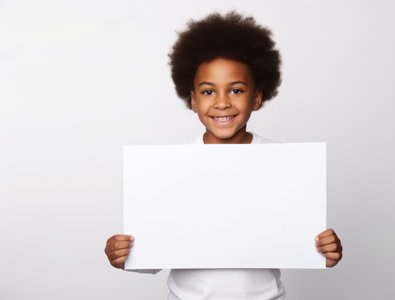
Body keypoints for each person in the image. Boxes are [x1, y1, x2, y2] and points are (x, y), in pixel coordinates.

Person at [105, 11, 343, 299]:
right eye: (207, 92)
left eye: (236, 90)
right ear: (192, 100)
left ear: (256, 97)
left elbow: (300, 242)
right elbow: (155, 253)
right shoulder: (171, 168)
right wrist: (124, 255)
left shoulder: (284, 163)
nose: (221, 103)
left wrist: (324, 252)